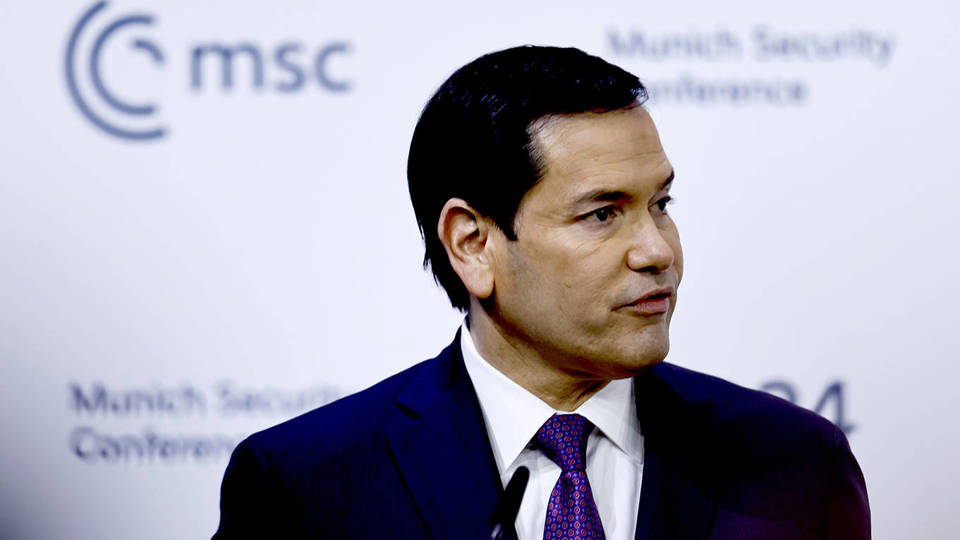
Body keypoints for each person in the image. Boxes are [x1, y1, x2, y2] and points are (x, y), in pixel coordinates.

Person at [213, 45, 870, 539]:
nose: (658, 251)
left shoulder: (795, 464)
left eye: (661, 204)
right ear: (473, 244)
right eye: (602, 213)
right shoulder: (306, 485)